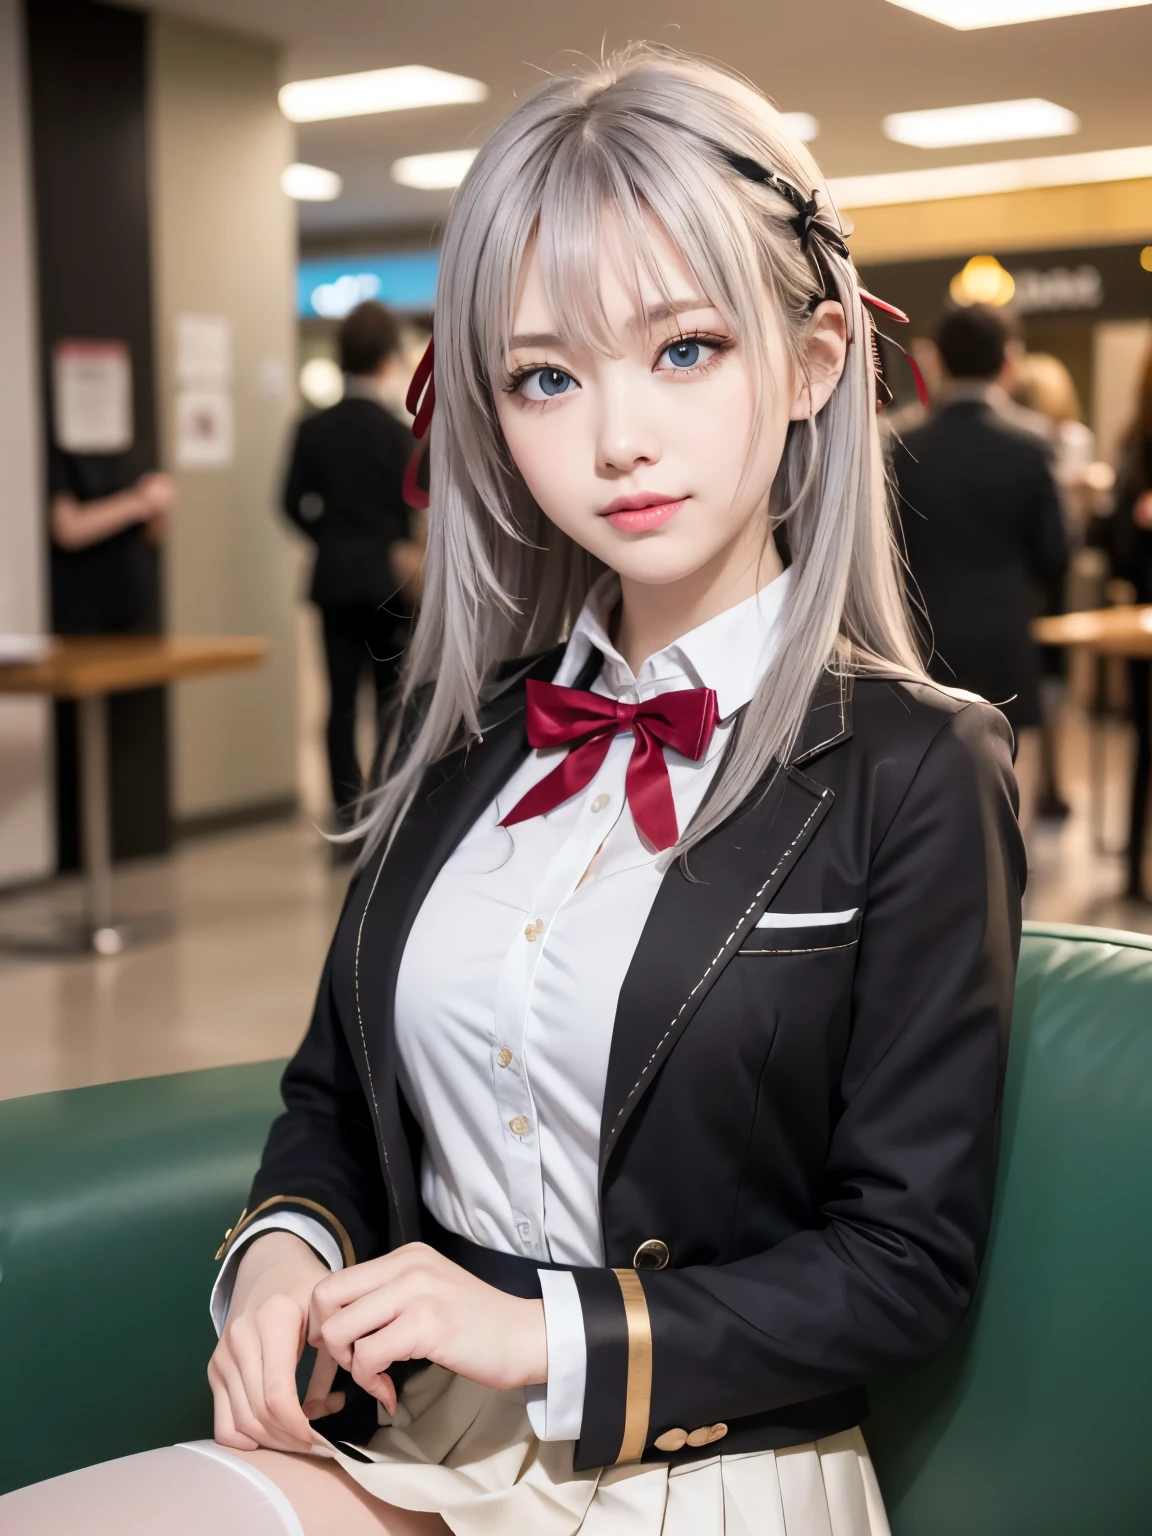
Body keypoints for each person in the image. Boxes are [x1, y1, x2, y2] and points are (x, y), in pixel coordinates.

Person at [4, 45, 1025, 1536]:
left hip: (702, 1467)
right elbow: (334, 1101)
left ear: (811, 364)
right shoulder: (472, 728)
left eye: (685, 350)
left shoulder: (917, 765)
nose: (616, 439)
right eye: (548, 376)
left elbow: (903, 1262)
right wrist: (282, 1252)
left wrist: (545, 1332)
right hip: (406, 1442)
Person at [892, 305, 1068, 830]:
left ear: (937, 361)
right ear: (1008, 363)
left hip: (919, 641)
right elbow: (1054, 555)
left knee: (921, 797)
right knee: (1005, 801)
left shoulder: (900, 445)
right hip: (1003, 640)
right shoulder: (1032, 444)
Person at [283, 300, 424, 837]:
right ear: (388, 358)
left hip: (335, 582)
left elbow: (289, 503)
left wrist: (331, 539)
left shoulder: (313, 429)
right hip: (391, 583)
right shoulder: (400, 433)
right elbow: (418, 508)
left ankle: (345, 818)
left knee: (339, 704)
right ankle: (388, 816)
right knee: (391, 701)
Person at [1105, 343, 1152, 898]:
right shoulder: (1135, 449)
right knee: (1144, 743)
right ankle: (1135, 870)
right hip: (1143, 620)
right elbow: (1113, 545)